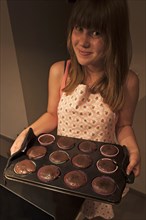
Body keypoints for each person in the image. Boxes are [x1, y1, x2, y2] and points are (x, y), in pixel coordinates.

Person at [10, 0, 141, 219]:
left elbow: (124, 125)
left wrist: (133, 150)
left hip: (101, 171)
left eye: (96, 32)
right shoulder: (59, 71)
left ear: (114, 37)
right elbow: (52, 115)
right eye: (78, 28)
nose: (83, 41)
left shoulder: (127, 81)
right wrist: (27, 132)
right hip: (64, 167)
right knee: (65, 213)